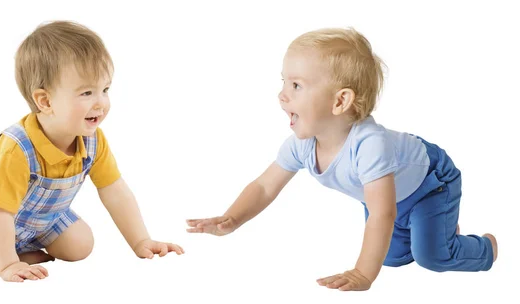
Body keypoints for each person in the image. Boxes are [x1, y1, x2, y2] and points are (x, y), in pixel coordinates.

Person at [186, 27, 496, 291]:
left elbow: (381, 214)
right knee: (393, 258)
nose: (282, 95)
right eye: (283, 82)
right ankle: (437, 229)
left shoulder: (369, 145)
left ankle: (483, 247)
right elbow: (265, 186)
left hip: (431, 183)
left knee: (431, 257)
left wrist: (363, 273)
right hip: (391, 196)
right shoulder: (302, 144)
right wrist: (232, 218)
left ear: (340, 101)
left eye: (295, 85)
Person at [0, 20, 184, 283]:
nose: (101, 103)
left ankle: (23, 251)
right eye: (86, 93)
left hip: (40, 220)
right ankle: (14, 257)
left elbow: (115, 190)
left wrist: (141, 241)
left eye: (105, 89)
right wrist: (8, 265)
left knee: (81, 245)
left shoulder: (92, 141)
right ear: (45, 101)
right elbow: (0, 212)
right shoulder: (17, 149)